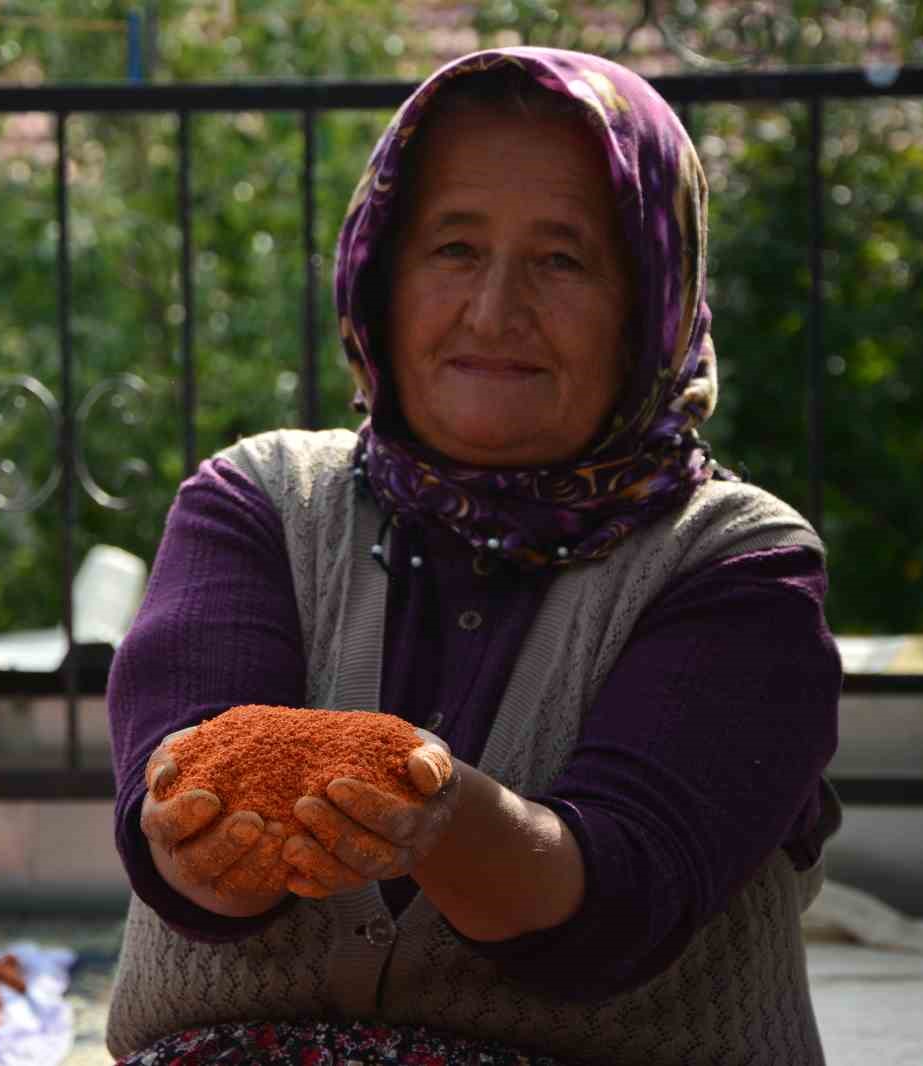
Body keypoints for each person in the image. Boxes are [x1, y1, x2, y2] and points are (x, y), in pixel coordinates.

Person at [104, 46, 842, 1066]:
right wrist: (200, 847)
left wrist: (440, 816)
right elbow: (178, 804)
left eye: (562, 260)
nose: (494, 312)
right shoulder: (258, 502)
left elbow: (622, 902)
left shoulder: (738, 565)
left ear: (652, 300)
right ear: (380, 275)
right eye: (453, 248)